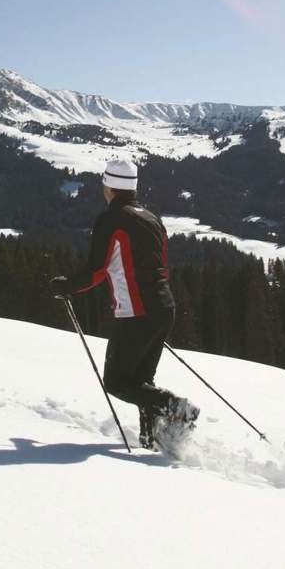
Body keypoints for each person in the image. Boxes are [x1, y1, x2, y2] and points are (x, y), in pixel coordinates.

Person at [50, 159, 198, 450]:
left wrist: (67, 286)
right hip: (163, 306)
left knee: (117, 382)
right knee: (142, 380)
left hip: (136, 310)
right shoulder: (151, 218)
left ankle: (178, 408)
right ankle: (150, 440)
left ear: (109, 186)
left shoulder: (112, 219)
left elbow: (97, 269)